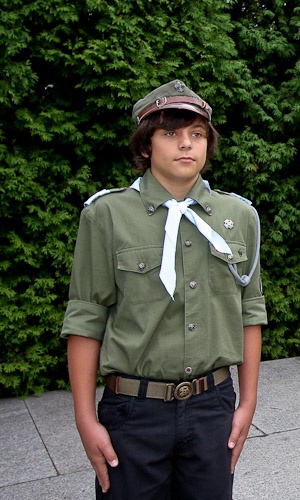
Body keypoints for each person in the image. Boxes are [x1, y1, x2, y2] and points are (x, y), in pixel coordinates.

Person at [61, 80, 267, 499]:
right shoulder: (107, 214)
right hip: (134, 412)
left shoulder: (239, 216)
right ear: (146, 145)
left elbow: (250, 310)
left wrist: (247, 403)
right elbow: (86, 316)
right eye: (170, 133)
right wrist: (85, 418)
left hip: (212, 407)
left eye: (197, 134)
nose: (186, 144)